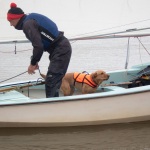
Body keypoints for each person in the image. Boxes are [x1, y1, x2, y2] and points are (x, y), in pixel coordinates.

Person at [7, 2, 72, 98]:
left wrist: (33, 64)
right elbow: (39, 45)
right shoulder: (30, 19)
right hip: (59, 48)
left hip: (61, 48)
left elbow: (38, 46)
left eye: (10, 21)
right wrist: (35, 59)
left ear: (16, 18)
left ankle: (52, 108)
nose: (10, 25)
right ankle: (53, 104)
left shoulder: (27, 24)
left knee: (51, 80)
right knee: (52, 79)